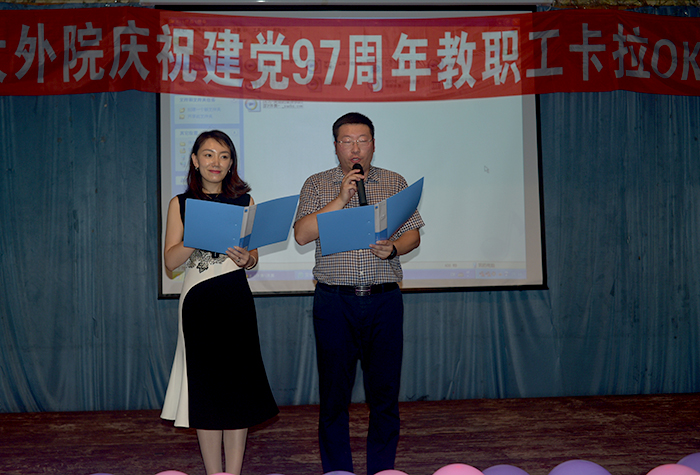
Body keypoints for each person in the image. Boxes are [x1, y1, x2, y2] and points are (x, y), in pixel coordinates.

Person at [294, 112, 424, 475]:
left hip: (383, 300)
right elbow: (302, 235)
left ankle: (382, 470)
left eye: (362, 140)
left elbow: (413, 234)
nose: (355, 148)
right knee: (334, 397)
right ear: (336, 146)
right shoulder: (318, 184)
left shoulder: (394, 181)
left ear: (373, 144)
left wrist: (394, 248)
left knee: (384, 396)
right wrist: (340, 198)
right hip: (335, 301)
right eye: (347, 141)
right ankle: (338, 471)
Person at [160, 130, 278, 475]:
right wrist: (197, 234)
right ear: (195, 161)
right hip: (199, 302)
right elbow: (170, 262)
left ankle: (234, 472)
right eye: (209, 154)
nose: (216, 162)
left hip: (235, 299)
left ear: (231, 164)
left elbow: (253, 259)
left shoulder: (246, 202)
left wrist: (247, 258)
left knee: (238, 389)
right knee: (207, 391)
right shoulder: (181, 203)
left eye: (224, 156)